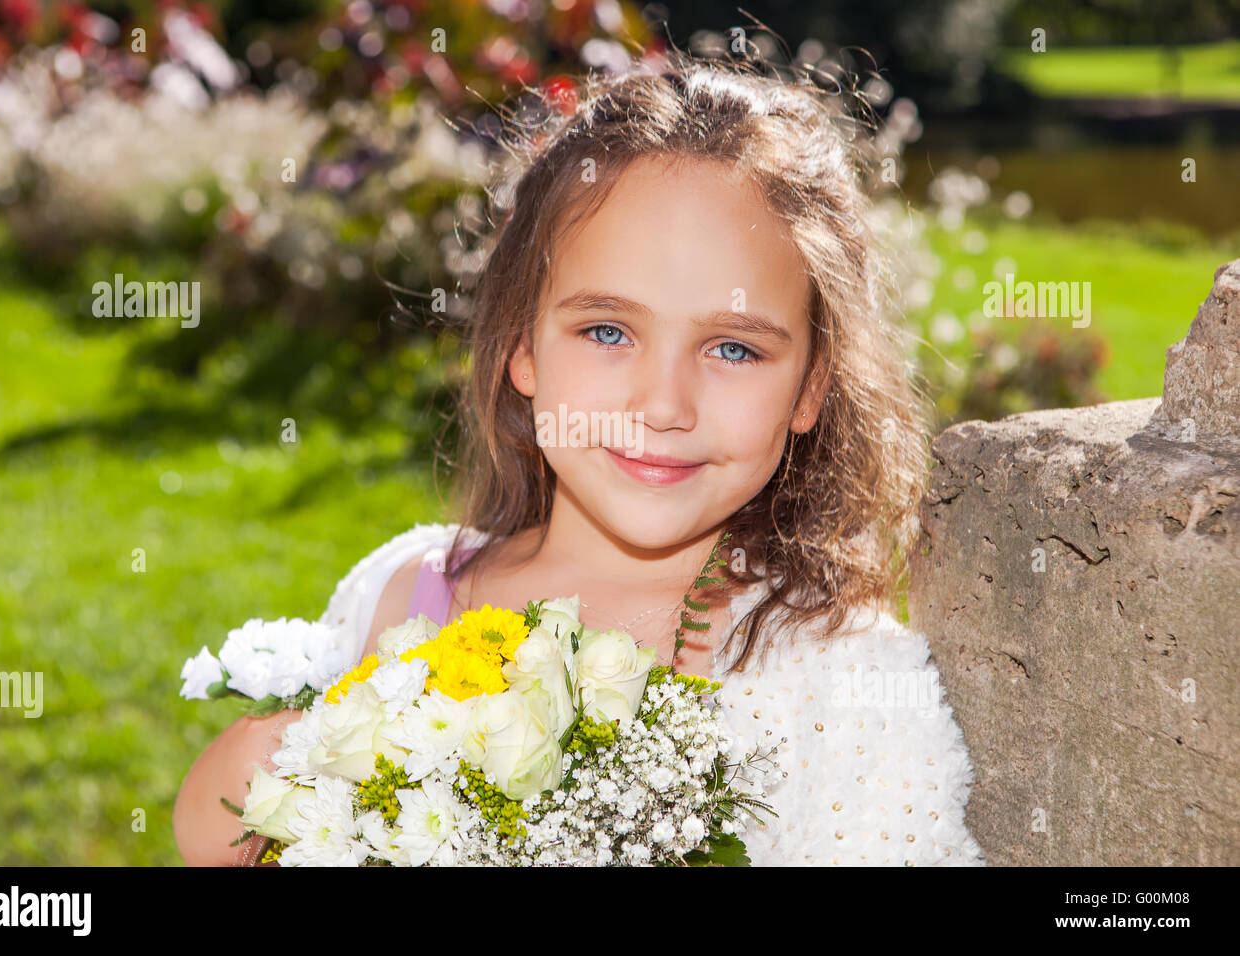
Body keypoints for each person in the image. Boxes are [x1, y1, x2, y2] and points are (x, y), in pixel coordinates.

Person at [174, 52, 986, 866]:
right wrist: (254, 772)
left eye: (733, 348)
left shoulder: (846, 687)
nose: (663, 406)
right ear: (522, 345)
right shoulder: (400, 596)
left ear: (811, 387)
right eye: (607, 331)